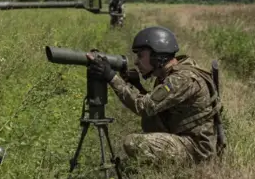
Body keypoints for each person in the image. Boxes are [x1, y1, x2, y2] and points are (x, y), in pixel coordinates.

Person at [86, 26, 222, 167]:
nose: (136, 62)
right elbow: (155, 105)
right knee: (149, 123)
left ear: (157, 56)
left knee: (133, 142)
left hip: (197, 151)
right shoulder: (169, 75)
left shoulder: (182, 79)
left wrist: (111, 77)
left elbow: (144, 107)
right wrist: (137, 85)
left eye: (140, 56)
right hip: (185, 139)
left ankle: (173, 171)